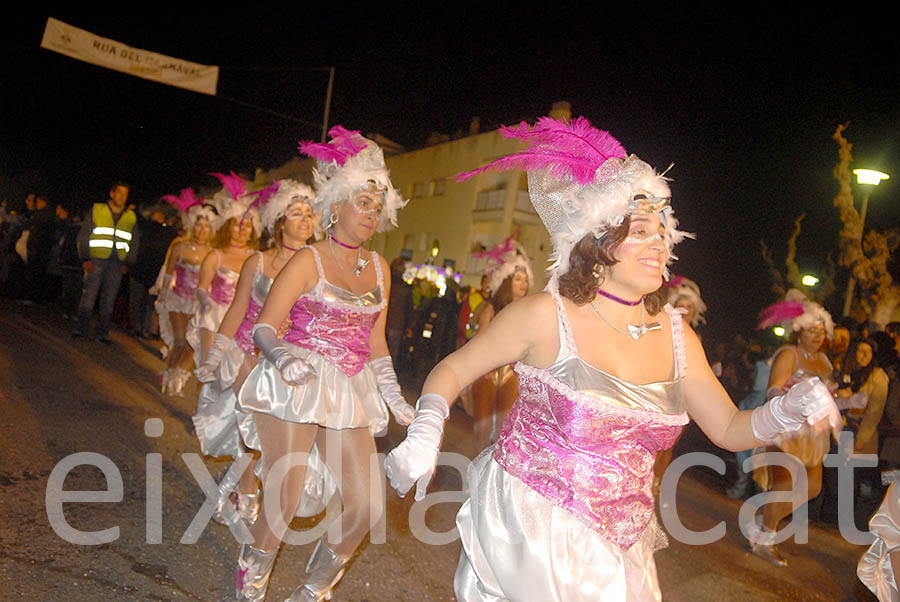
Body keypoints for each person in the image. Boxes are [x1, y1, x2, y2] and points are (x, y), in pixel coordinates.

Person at [383, 116, 840, 601]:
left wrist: (788, 411)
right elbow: (453, 369)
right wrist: (426, 430)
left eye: (663, 229)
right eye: (640, 229)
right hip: (532, 530)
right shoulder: (545, 315)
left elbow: (728, 427)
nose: (660, 240)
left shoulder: (678, 336)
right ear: (597, 241)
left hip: (624, 543)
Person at [233, 126, 415, 602]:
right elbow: (264, 326)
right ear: (335, 207)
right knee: (285, 494)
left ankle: (311, 591)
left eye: (378, 206)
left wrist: (394, 395)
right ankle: (252, 577)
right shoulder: (308, 260)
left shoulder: (379, 269)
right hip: (297, 379)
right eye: (362, 202)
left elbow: (375, 340)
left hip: (349, 388)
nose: (372, 213)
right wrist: (281, 359)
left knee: (366, 506)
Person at [193, 180, 317, 526]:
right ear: (280, 222)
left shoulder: (316, 269)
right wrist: (215, 355)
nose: (306, 220)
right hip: (246, 354)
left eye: (309, 214)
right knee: (250, 427)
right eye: (297, 214)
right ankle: (247, 490)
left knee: (273, 436)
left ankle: (238, 486)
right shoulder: (257, 262)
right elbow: (236, 310)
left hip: (287, 361)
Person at [751, 288, 837, 565]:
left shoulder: (824, 361)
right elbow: (773, 389)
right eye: (811, 330)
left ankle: (765, 518)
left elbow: (826, 398)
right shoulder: (789, 354)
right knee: (784, 485)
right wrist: (795, 403)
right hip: (788, 430)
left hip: (815, 436)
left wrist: (841, 401)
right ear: (798, 330)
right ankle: (765, 538)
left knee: (812, 488)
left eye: (821, 331)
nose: (817, 335)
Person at [187, 172, 259, 370]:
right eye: (237, 225)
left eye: (247, 225)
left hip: (244, 321)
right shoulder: (215, 256)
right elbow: (202, 287)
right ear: (228, 227)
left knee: (234, 373)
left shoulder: (258, 258)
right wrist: (206, 303)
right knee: (209, 370)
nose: (242, 229)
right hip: (214, 318)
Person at [469, 236, 533, 452]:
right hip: (487, 371)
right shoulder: (491, 309)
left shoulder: (529, 311)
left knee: (504, 432)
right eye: (517, 279)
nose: (523, 284)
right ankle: (474, 478)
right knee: (482, 430)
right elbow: (479, 343)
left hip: (512, 374)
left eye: (525, 280)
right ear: (507, 281)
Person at [156, 189, 215, 395]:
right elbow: (168, 273)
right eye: (199, 225)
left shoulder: (212, 253)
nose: (202, 230)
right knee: (180, 340)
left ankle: (176, 374)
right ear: (192, 225)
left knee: (191, 344)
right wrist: (163, 296)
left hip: (198, 304)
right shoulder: (179, 246)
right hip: (178, 299)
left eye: (206, 227)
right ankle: (170, 374)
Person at [74, 181, 140, 342]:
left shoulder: (130, 216)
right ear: (112, 194)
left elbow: (134, 241)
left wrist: (128, 263)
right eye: (119, 193)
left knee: (109, 300)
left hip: (117, 264)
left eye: (125, 194)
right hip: (96, 260)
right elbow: (85, 234)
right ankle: (81, 330)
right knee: (88, 297)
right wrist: (85, 258)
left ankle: (102, 333)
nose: (122, 197)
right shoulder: (98, 209)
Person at [129, 207, 178, 338]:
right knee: (144, 302)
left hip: (148, 271)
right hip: (146, 270)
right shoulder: (163, 230)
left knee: (145, 303)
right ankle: (144, 329)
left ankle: (144, 329)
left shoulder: (165, 231)